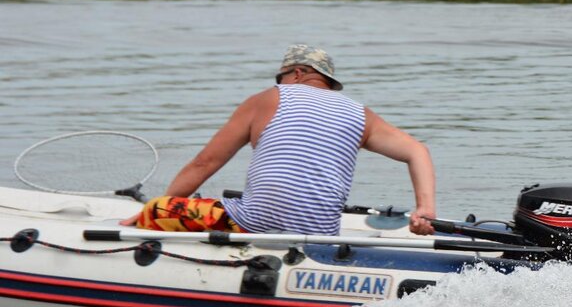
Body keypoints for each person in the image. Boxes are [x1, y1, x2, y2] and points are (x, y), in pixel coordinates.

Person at [122, 44, 436, 236]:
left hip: (256, 222)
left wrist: (154, 207)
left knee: (160, 211)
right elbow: (416, 151)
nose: (278, 83)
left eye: (280, 77)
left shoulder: (267, 99)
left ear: (297, 73)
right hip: (319, 232)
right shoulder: (359, 113)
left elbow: (205, 163)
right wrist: (425, 209)